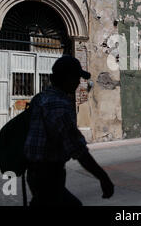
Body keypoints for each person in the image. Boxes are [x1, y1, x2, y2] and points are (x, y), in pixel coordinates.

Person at [24, 55, 114, 206]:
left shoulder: (40, 98)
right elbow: (77, 149)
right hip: (49, 174)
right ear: (67, 78)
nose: (79, 82)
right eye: (76, 77)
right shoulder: (59, 105)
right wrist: (103, 178)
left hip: (34, 173)